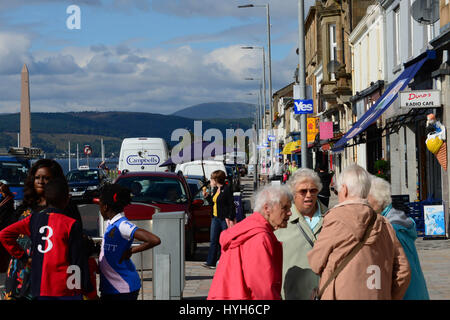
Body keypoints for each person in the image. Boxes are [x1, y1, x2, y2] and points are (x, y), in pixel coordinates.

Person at [307, 164, 411, 300]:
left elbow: (316, 262)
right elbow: (403, 272)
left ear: (344, 190)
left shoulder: (335, 219)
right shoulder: (384, 224)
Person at [3, 159, 82, 300]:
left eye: (46, 178)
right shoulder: (26, 205)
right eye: (37, 177)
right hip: (20, 268)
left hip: (48, 274)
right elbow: (8, 232)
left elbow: (75, 244)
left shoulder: (66, 208)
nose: (40, 181)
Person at [207, 185, 292, 300]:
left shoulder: (246, 227)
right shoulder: (259, 237)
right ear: (267, 208)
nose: (290, 213)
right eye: (285, 208)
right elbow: (263, 291)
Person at [367, 176, 429, 300]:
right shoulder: (395, 221)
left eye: (367, 197)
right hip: (416, 292)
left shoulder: (391, 228)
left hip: (407, 294)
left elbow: (402, 272)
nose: (364, 202)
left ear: (379, 199)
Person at [98, 183, 161, 300]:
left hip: (122, 288)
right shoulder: (110, 223)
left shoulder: (122, 225)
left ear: (105, 207)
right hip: (110, 287)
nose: (99, 208)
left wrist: (131, 251)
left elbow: (154, 240)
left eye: (99, 205)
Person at [274, 168, 328, 300]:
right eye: (303, 191)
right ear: (293, 194)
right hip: (290, 295)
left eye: (313, 190)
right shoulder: (279, 223)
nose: (309, 195)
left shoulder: (331, 219)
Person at [202, 170, 235, 269]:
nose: (210, 181)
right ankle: (211, 262)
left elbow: (231, 205)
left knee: (223, 241)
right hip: (215, 218)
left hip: (224, 219)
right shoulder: (215, 189)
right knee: (213, 240)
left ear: (216, 180)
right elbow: (213, 203)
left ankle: (222, 261)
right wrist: (207, 197)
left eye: (211, 179)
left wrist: (229, 217)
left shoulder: (226, 189)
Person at [0, 182, 16, 274]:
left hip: (4, 225)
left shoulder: (9, 201)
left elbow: (5, 214)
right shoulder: (3, 199)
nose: (1, 193)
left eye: (2, 191)